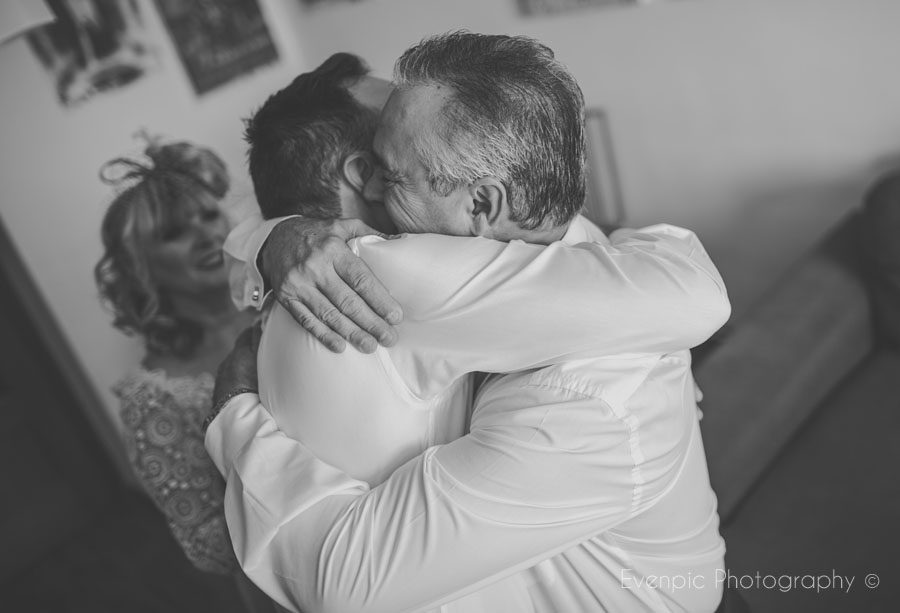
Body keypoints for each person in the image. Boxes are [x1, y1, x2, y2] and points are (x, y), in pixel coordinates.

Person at [208, 33, 730, 612]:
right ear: (360, 175)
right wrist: (271, 237)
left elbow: (696, 297)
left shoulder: (591, 374)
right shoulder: (397, 266)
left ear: (482, 204)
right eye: (384, 152)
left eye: (395, 159)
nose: (384, 178)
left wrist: (233, 419)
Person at [95, 138, 256, 575]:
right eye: (173, 234)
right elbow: (210, 547)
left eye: (207, 215)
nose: (204, 234)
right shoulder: (153, 402)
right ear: (139, 266)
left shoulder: (284, 293)